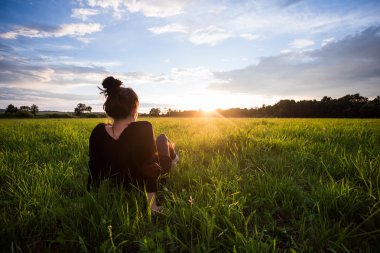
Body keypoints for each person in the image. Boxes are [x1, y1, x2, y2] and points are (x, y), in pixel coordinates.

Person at [88, 76, 178, 213]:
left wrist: (89, 196)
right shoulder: (143, 128)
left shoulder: (98, 132)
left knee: (155, 143)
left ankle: (173, 156)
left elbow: (93, 168)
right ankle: (174, 159)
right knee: (162, 138)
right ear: (133, 110)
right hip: (149, 180)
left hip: (122, 183)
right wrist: (152, 207)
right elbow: (151, 168)